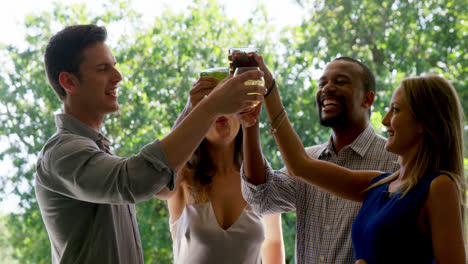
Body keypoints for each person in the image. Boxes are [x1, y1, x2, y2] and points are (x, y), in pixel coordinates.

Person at [35, 24, 266, 264]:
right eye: (103, 69)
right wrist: (210, 108)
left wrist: (192, 110)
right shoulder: (62, 153)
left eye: (114, 66)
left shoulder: (94, 150)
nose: (118, 76)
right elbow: (135, 181)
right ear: (69, 82)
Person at [243, 55, 466, 263]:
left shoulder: (439, 187)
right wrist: (267, 89)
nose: (386, 120)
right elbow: (300, 165)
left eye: (396, 110)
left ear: (423, 123)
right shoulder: (379, 184)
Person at [240, 56, 399, 263]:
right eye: (322, 83)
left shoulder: (395, 163)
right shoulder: (309, 158)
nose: (327, 89)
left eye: (341, 82)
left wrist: (269, 89)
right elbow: (261, 198)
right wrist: (249, 123)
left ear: (367, 100)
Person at [163, 75, 285, 264]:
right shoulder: (183, 177)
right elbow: (159, 178)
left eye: (228, 101)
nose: (222, 110)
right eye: (213, 101)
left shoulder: (261, 181)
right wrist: (189, 111)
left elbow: (274, 245)